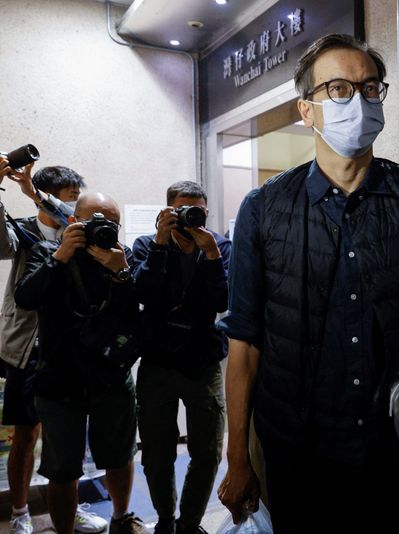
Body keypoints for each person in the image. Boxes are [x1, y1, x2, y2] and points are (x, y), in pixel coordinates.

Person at [216, 33, 399, 534]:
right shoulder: (263, 210)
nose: (357, 100)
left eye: (370, 87)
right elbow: (244, 341)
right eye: (337, 89)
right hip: (299, 455)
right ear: (306, 110)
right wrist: (237, 456)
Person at [14, 193, 148, 534]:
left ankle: (121, 517)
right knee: (62, 468)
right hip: (60, 377)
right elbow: (25, 298)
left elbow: (136, 316)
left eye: (111, 223)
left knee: (120, 455)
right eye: (94, 221)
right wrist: (60, 257)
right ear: (74, 221)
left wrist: (121, 273)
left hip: (111, 375)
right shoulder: (47, 253)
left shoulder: (122, 257)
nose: (103, 228)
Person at [0, 162, 107, 534]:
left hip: (67, 351)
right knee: (25, 436)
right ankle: (19, 511)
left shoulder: (77, 229)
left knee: (66, 441)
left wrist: (34, 191)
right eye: (71, 196)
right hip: (27, 348)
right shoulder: (21, 230)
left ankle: (68, 506)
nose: (76, 205)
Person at [130, 181, 230, 534]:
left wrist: (213, 256)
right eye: (182, 210)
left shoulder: (219, 246)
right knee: (157, 453)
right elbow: (142, 292)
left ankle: (189, 523)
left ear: (205, 212)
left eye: (197, 211)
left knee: (208, 450)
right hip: (157, 361)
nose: (190, 219)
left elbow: (222, 301)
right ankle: (165, 520)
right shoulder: (146, 245)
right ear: (167, 211)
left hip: (202, 362)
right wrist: (160, 244)